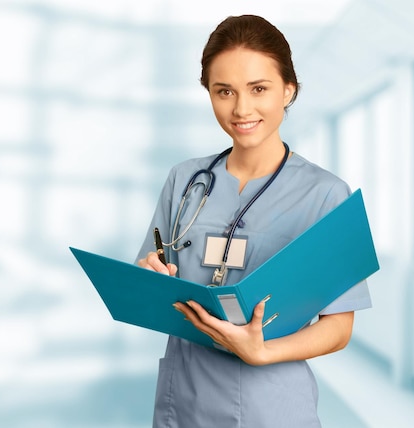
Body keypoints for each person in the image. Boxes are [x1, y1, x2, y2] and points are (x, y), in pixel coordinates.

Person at [136, 14, 372, 428]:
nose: (241, 108)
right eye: (223, 91)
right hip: (184, 399)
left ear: (288, 90)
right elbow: (153, 270)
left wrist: (262, 351)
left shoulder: (328, 195)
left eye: (258, 89)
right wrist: (148, 275)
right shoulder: (184, 180)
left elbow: (339, 327)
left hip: (272, 406)